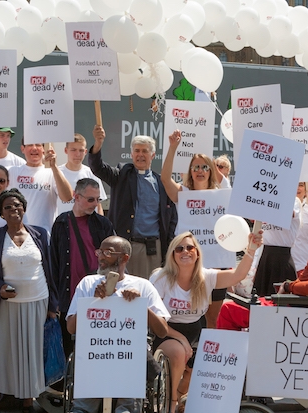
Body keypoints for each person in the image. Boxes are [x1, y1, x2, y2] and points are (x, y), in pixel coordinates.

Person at [150, 230, 262, 413]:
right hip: (166, 331)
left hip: (195, 330)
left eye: (190, 248)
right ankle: (171, 404)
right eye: (179, 249)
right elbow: (156, 320)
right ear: (172, 254)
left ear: (197, 253)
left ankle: (181, 398)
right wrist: (181, 339)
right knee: (179, 353)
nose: (185, 252)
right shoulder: (160, 278)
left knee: (200, 365)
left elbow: (238, 275)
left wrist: (251, 249)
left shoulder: (206, 276)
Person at [66, 236, 170, 413]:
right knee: (82, 408)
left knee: (127, 408)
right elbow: (71, 328)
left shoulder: (142, 285)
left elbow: (162, 330)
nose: (101, 256)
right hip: (95, 353)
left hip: (129, 355)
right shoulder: (88, 283)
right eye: (100, 251)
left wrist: (140, 305)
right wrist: (92, 302)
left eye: (108, 252)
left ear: (124, 258)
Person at [0, 189, 57, 413]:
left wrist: (53, 306)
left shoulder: (40, 234)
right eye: (8, 207)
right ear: (1, 213)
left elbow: (50, 270)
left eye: (17, 205)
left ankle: (27, 403)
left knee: (31, 354)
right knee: (1, 355)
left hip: (37, 301)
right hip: (6, 305)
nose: (14, 209)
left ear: (24, 208)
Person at [89, 125, 177, 278]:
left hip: (154, 249)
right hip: (126, 247)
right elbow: (98, 167)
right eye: (137, 151)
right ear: (131, 154)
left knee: (150, 288)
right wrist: (98, 143)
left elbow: (170, 219)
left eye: (144, 151)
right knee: (122, 288)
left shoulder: (161, 183)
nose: (140, 155)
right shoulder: (122, 175)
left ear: (153, 155)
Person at [160, 131, 224, 328]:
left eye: (205, 167)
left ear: (211, 171)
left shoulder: (222, 196)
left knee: (212, 318)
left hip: (216, 264)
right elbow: (165, 179)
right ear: (190, 171)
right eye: (195, 167)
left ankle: (207, 348)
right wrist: (172, 148)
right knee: (189, 314)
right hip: (188, 263)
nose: (200, 170)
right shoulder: (183, 193)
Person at [49, 178, 114, 361]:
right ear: (76, 197)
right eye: (90, 199)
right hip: (68, 297)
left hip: (98, 296)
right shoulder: (61, 223)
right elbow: (54, 263)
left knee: (97, 349)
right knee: (69, 350)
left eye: (98, 200)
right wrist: (54, 300)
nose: (95, 204)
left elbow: (114, 260)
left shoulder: (103, 224)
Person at [7, 138, 73, 232]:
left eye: (38, 145)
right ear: (22, 149)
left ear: (44, 149)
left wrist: (54, 166)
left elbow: (67, 197)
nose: (34, 148)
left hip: (44, 235)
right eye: (30, 145)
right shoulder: (12, 172)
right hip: (17, 234)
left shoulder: (52, 173)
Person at [252, 197, 301, 296]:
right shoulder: (263, 199)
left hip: (283, 258)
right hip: (265, 256)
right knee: (260, 298)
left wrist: (268, 203)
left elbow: (289, 213)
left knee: (282, 300)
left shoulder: (293, 200)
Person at [57, 134, 107, 215]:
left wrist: (101, 222)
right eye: (73, 150)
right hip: (63, 221)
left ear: (85, 152)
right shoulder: (56, 173)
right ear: (66, 150)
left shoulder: (92, 173)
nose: (77, 154)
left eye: (81, 150)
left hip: (88, 222)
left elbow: (98, 205)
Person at [290, 182, 308, 272]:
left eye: (301, 185)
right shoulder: (279, 208)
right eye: (294, 184)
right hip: (283, 264)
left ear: (306, 190)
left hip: (303, 267)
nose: (297, 188)